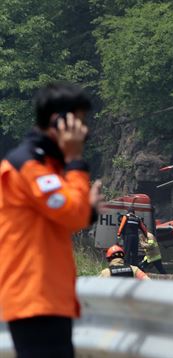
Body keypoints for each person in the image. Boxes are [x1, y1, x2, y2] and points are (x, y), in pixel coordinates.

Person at [0, 82, 103, 357]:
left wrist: (87, 209)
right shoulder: (30, 167)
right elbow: (72, 214)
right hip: (34, 299)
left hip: (47, 299)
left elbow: (73, 216)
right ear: (59, 121)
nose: (85, 131)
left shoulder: (47, 167)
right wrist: (76, 161)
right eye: (79, 122)